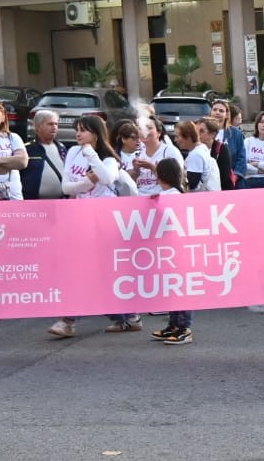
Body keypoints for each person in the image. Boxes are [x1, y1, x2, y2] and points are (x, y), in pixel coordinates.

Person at [51, 115, 140, 339]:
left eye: (84, 130)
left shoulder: (108, 156)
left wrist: (91, 154)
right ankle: (126, 316)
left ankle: (69, 320)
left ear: (96, 133)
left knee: (95, 271)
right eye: (77, 130)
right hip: (81, 218)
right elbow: (66, 186)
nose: (78, 134)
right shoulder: (72, 152)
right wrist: (87, 182)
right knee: (91, 271)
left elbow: (108, 177)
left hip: (105, 221)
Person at [148, 156, 199, 345]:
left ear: (159, 176)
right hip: (172, 250)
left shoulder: (171, 197)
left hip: (175, 250)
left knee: (179, 289)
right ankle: (175, 324)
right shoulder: (174, 194)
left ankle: (184, 327)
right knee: (173, 288)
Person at [130, 116, 178, 195]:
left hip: (162, 199)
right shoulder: (136, 154)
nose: (144, 131)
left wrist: (152, 167)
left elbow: (176, 180)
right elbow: (129, 183)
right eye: (141, 128)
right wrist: (135, 171)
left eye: (149, 128)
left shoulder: (170, 151)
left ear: (159, 132)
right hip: (139, 200)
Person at [174, 119, 222, 194]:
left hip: (201, 200)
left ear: (188, 137)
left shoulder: (196, 155)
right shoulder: (202, 148)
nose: (175, 140)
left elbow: (192, 184)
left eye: (177, 136)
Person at [211, 100, 247, 185]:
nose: (217, 113)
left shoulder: (236, 133)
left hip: (232, 179)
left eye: (221, 111)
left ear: (227, 114)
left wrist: (235, 176)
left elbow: (242, 158)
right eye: (214, 110)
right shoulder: (204, 131)